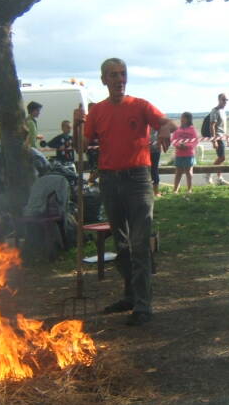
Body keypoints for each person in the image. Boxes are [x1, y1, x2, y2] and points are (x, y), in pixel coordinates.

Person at [84, 58, 176, 326]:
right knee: (121, 244)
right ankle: (130, 294)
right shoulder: (97, 111)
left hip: (137, 180)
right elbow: (82, 145)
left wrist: (164, 131)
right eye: (113, 75)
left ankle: (143, 306)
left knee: (139, 242)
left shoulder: (140, 105)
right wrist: (79, 124)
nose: (119, 79)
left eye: (122, 74)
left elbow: (166, 123)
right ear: (103, 80)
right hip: (110, 180)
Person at [204, 93, 229, 186]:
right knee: (222, 157)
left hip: (222, 136)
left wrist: (227, 138)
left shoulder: (223, 111)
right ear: (219, 100)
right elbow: (212, 126)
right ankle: (208, 173)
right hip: (217, 137)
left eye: (226, 100)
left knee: (221, 159)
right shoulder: (215, 111)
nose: (225, 102)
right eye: (223, 99)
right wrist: (214, 140)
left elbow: (223, 127)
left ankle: (219, 178)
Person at [171, 112, 199, 193]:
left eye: (183, 117)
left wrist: (187, 146)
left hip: (189, 154)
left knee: (189, 172)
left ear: (188, 119)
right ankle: (175, 189)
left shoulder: (192, 129)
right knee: (178, 172)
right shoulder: (177, 129)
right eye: (181, 117)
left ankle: (189, 189)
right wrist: (177, 145)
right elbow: (173, 140)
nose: (181, 119)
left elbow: (195, 141)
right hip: (179, 154)